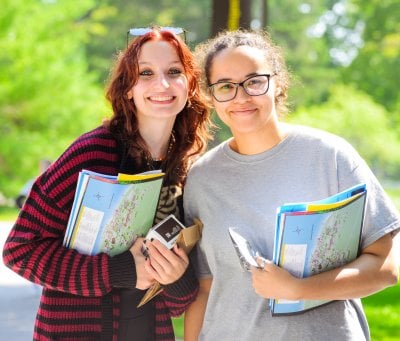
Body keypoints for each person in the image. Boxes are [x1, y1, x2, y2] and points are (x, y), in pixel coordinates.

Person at [183, 29, 399, 341]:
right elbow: (205, 288)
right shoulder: (202, 178)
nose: (241, 97)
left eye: (254, 81)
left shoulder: (330, 156)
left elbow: (386, 266)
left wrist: (299, 289)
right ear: (211, 96)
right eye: (226, 86)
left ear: (278, 83)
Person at [2, 26, 211, 340]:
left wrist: (177, 277)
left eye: (173, 71)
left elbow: (179, 303)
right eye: (146, 73)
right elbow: (20, 251)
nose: (162, 84)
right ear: (128, 88)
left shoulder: (184, 167)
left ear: (190, 84)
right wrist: (120, 270)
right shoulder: (91, 154)